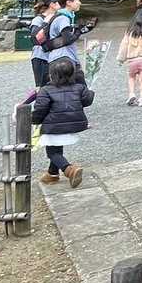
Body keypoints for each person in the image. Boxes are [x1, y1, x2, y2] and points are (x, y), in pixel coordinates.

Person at [31, 57, 93, 188]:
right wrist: (88, 89)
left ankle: (69, 170)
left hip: (53, 125)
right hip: (73, 123)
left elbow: (40, 109)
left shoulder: (46, 90)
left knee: (52, 153)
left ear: (51, 75)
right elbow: (87, 101)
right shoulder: (79, 87)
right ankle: (52, 174)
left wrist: (34, 120)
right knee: (57, 147)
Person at [45, 0, 89, 77]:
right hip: (63, 60)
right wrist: (79, 31)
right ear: (69, 2)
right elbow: (67, 40)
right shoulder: (63, 18)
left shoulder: (61, 16)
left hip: (59, 57)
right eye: (77, 0)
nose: (80, 3)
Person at [27, 0, 59, 87]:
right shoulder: (38, 19)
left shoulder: (57, 18)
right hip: (41, 57)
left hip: (54, 57)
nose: (60, 4)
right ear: (52, 4)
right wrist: (45, 23)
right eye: (57, 2)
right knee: (42, 87)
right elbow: (34, 38)